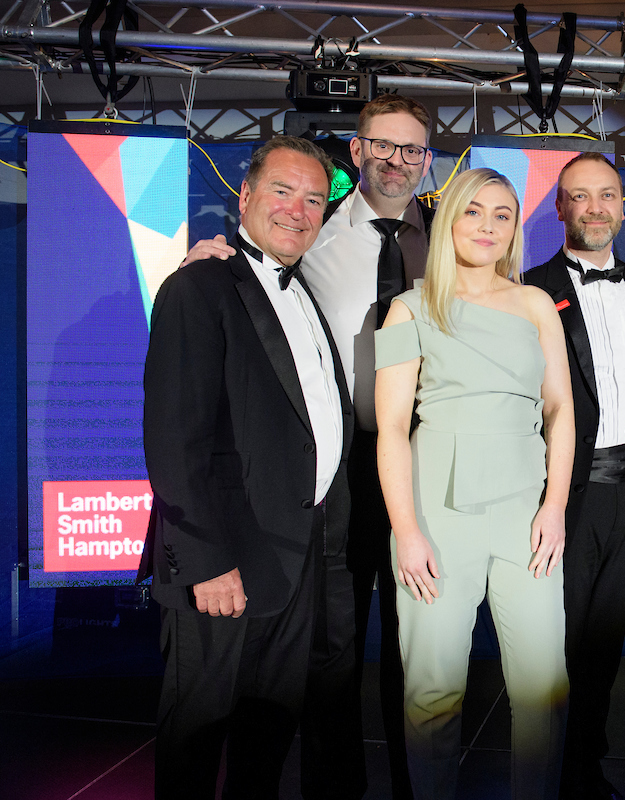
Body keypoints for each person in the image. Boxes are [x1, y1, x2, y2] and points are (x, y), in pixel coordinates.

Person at [182, 93, 436, 799]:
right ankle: (337, 786)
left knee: (421, 644)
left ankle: (420, 782)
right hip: (340, 468)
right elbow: (251, 273)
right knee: (333, 651)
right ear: (356, 152)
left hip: (428, 462)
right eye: (382, 145)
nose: (396, 160)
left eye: (412, 148)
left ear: (426, 160)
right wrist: (207, 256)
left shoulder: (451, 233)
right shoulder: (312, 231)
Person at [139, 135, 354, 799]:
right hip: (223, 561)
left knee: (267, 739)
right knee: (197, 738)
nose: (298, 210)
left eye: (313, 199)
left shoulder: (306, 294)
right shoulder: (199, 286)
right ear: (245, 196)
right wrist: (205, 560)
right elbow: (175, 438)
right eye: (282, 192)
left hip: (294, 558)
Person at [374, 168, 574, 800]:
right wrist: (406, 530)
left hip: (526, 511)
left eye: (503, 215)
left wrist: (556, 508)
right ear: (449, 220)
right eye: (474, 212)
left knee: (545, 686)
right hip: (435, 512)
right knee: (430, 687)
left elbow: (562, 411)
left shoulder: (537, 303)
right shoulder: (405, 307)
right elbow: (390, 428)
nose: (488, 226)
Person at [523, 152, 625, 800]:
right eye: (580, 196)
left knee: (606, 639)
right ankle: (553, 767)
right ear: (560, 207)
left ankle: (586, 761)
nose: (595, 208)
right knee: (561, 641)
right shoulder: (527, 288)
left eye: (606, 195)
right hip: (564, 494)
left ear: (622, 205)